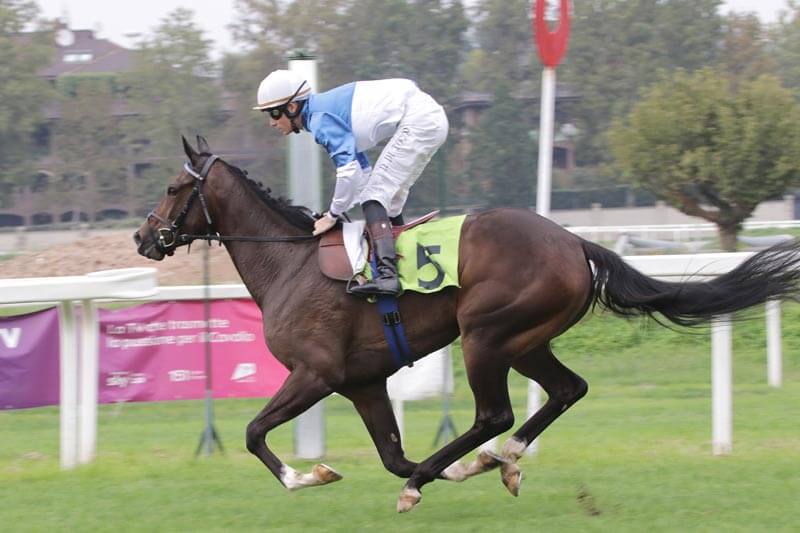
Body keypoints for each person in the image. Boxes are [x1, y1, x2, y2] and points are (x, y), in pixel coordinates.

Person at [253, 70, 448, 297]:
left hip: (419, 121)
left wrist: (332, 215)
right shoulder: (322, 113)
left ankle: (388, 276)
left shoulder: (319, 119)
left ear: (292, 107)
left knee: (374, 198)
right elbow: (361, 172)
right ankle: (403, 266)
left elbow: (348, 172)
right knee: (386, 203)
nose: (272, 122)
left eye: (274, 113)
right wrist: (343, 209)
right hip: (427, 119)